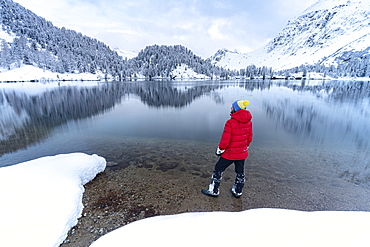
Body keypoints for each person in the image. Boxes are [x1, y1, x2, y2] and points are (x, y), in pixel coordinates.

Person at [201, 100, 253, 198]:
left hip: (230, 153)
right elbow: (249, 138)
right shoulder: (249, 122)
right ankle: (238, 191)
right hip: (242, 153)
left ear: (236, 109)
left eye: (232, 107)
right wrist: (245, 147)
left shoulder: (230, 122)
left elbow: (225, 141)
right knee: (240, 172)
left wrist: (219, 150)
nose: (231, 108)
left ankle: (213, 190)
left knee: (218, 169)